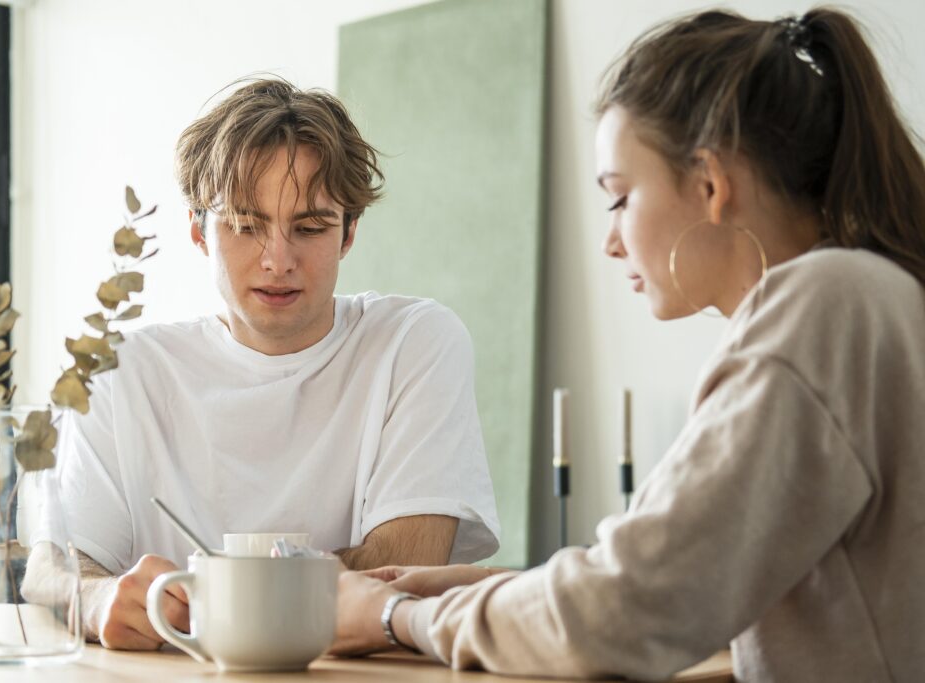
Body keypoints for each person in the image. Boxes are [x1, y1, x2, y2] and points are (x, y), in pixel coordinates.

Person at [330, 9, 925, 681]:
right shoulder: (871, 297)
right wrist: (486, 590)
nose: (611, 241)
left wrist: (395, 617)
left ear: (710, 183)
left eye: (618, 198)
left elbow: (626, 610)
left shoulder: (828, 307)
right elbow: (670, 579)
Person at [52, 79, 500, 650]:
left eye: (310, 228)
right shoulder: (121, 371)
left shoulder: (414, 342)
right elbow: (52, 568)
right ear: (198, 231)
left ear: (349, 234)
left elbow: (406, 565)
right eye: (245, 225)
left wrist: (208, 593)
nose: (278, 260)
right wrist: (93, 599)